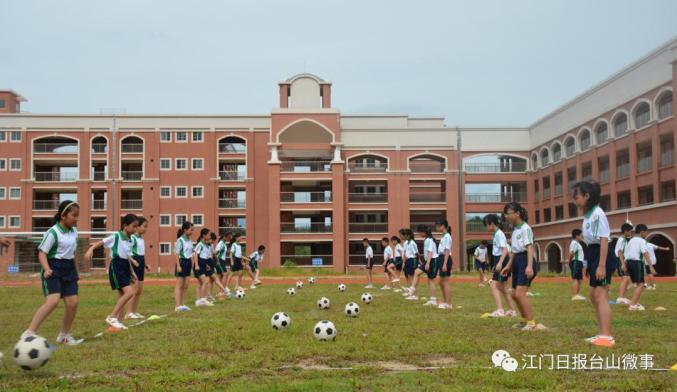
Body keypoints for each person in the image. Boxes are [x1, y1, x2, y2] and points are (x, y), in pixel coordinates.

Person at [21, 201, 83, 345]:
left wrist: (76, 271)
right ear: (63, 215)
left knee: (73, 303)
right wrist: (47, 268)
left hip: (69, 269)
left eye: (77, 216)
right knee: (53, 301)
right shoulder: (52, 232)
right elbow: (42, 253)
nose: (76, 219)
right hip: (53, 268)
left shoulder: (74, 232)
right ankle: (29, 332)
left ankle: (64, 336)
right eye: (73, 215)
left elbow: (71, 253)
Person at [572, 181, 614, 346]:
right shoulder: (588, 215)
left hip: (602, 253)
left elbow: (604, 239)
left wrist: (601, 265)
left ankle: (606, 336)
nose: (574, 200)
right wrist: (590, 263)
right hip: (593, 253)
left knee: (600, 295)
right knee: (593, 295)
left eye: (576, 197)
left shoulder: (598, 213)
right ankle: (601, 333)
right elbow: (591, 242)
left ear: (587, 196)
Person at [85, 213, 139, 330]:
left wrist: (132, 271)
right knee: (129, 293)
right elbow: (100, 243)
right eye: (133, 226)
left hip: (125, 266)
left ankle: (116, 324)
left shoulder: (131, 240)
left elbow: (127, 256)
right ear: (125, 225)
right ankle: (112, 316)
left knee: (122, 295)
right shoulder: (116, 237)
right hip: (116, 266)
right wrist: (91, 249)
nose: (135, 229)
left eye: (136, 227)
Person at [500, 202, 545, 331]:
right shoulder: (515, 230)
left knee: (520, 293)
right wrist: (508, 266)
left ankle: (531, 323)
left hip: (526, 260)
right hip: (517, 261)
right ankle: (525, 321)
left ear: (517, 213)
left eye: (508, 213)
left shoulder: (526, 228)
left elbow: (529, 247)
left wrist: (529, 266)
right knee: (514, 294)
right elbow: (513, 251)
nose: (507, 217)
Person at [483, 214, 516, 318]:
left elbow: (505, 249)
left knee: (494, 285)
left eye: (486, 225)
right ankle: (511, 310)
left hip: (502, 260)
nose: (486, 228)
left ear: (492, 224)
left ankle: (500, 310)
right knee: (502, 287)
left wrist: (500, 263)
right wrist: (497, 263)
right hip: (500, 259)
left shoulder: (498, 234)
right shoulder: (497, 234)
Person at [623, 224, 653, 311]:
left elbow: (626, 253)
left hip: (629, 263)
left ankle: (634, 302)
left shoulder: (631, 240)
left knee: (637, 284)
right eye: (646, 233)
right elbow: (645, 253)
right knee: (641, 284)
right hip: (637, 263)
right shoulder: (641, 241)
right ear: (642, 232)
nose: (646, 235)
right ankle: (633, 305)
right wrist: (651, 266)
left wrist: (624, 264)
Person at [406, 225, 439, 306]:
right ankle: (412, 289)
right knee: (416, 272)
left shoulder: (429, 240)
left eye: (419, 232)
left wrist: (427, 263)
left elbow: (430, 252)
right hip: (428, 260)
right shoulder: (427, 239)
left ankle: (433, 300)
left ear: (424, 232)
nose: (418, 234)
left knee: (430, 280)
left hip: (432, 261)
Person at [126, 217, 150, 319]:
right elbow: (127, 253)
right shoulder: (133, 238)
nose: (146, 229)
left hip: (140, 263)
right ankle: (128, 313)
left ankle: (134, 312)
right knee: (134, 289)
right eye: (144, 226)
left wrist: (145, 264)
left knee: (139, 290)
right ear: (138, 227)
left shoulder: (141, 238)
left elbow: (141, 253)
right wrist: (132, 263)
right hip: (134, 264)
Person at [636, 224, 670, 290]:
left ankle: (653, 286)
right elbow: (658, 247)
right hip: (653, 260)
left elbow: (643, 253)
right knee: (646, 273)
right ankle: (646, 284)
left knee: (648, 273)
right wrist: (666, 248)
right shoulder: (650, 244)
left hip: (647, 261)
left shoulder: (642, 245)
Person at [174, 221, 194, 312]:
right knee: (179, 285)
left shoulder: (189, 240)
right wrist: (178, 265)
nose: (192, 231)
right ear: (185, 230)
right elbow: (176, 253)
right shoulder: (180, 240)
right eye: (191, 229)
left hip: (188, 262)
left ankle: (182, 304)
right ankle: (177, 306)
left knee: (186, 285)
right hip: (181, 262)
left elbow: (191, 252)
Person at [193, 228, 215, 307]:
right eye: (208, 234)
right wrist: (196, 265)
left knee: (201, 283)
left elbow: (205, 257)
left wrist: (207, 265)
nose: (210, 236)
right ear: (204, 235)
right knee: (205, 281)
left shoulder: (206, 244)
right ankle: (202, 300)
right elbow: (195, 254)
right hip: (199, 265)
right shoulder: (200, 244)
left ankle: (198, 300)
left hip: (203, 265)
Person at [614, 223, 634, 305]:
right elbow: (619, 252)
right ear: (625, 231)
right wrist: (622, 264)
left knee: (627, 279)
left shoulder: (625, 239)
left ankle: (623, 296)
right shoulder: (621, 240)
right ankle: (620, 297)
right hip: (621, 261)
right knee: (625, 279)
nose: (631, 233)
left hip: (624, 261)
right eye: (630, 231)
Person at [435, 219, 453, 310]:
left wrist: (445, 264)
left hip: (445, 258)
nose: (436, 227)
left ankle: (448, 303)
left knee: (444, 282)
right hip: (441, 258)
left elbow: (447, 250)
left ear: (443, 226)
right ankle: (446, 302)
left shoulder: (447, 236)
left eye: (438, 225)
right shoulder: (444, 236)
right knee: (441, 282)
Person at [567, 229, 586, 300]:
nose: (582, 236)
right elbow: (572, 253)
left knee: (579, 279)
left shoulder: (577, 243)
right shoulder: (574, 243)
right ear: (577, 236)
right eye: (581, 235)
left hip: (579, 262)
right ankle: (574, 295)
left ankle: (577, 294)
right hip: (576, 262)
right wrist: (569, 261)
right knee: (575, 279)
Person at [400, 229, 418, 297]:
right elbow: (404, 253)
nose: (402, 236)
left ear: (408, 235)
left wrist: (419, 261)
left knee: (411, 276)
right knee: (407, 275)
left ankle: (414, 294)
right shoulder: (406, 243)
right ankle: (409, 291)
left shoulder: (413, 243)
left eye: (404, 235)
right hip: (407, 261)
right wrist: (403, 262)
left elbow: (416, 253)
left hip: (412, 260)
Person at [214, 231, 233, 296]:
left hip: (222, 261)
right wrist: (217, 261)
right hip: (219, 260)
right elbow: (215, 253)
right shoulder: (221, 243)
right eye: (229, 236)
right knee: (225, 274)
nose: (230, 238)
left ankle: (219, 292)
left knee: (220, 276)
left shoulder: (224, 243)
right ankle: (223, 290)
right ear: (225, 236)